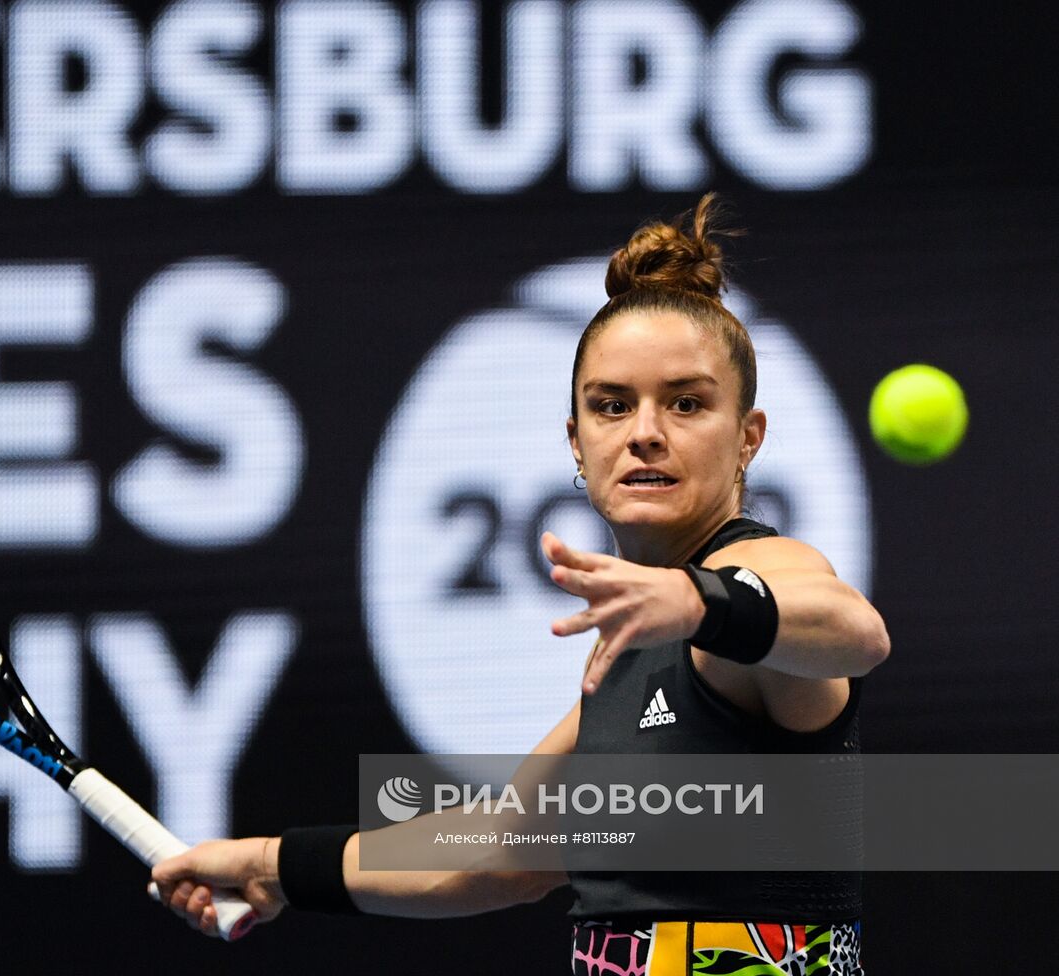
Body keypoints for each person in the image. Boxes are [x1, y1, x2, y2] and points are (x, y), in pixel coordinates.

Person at [150, 195, 890, 974]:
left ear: (748, 438)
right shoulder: (629, 662)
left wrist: (697, 601)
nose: (645, 430)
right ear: (577, 441)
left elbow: (853, 630)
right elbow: (497, 852)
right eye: (611, 405)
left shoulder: (752, 583)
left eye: (686, 402)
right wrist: (269, 866)